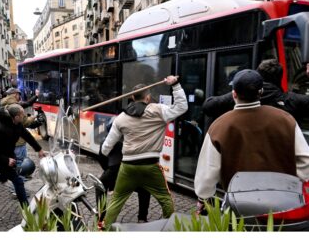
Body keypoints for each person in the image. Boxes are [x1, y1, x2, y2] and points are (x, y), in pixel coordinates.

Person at [194, 69, 309, 213]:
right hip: (282, 204)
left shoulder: (218, 127)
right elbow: (306, 162)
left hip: (239, 206)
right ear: (260, 93)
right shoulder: (286, 119)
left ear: (234, 94)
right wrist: (291, 186)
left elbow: (207, 175)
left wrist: (203, 199)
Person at [100, 75, 188, 228]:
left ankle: (105, 229)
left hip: (127, 167)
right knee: (165, 199)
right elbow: (182, 107)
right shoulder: (159, 111)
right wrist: (175, 85)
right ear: (148, 98)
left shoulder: (120, 118)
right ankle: (170, 228)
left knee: (116, 200)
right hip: (151, 166)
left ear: (132, 97)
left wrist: (108, 161)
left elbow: (106, 147)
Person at [0, 104, 45, 207]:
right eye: (22, 115)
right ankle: (27, 212)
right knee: (18, 181)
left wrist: (39, 149)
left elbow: (26, 134)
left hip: (8, 156)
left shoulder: (16, 123)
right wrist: (6, 160)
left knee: (8, 175)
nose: (24, 117)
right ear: (16, 117)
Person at [202, 59, 309, 126]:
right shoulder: (292, 101)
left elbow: (208, 106)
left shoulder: (241, 96)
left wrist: (235, 93)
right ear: (280, 78)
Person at [96, 117, 151, 224]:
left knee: (100, 186)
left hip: (114, 171)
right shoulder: (133, 140)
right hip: (131, 171)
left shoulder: (106, 141)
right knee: (144, 189)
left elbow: (102, 159)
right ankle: (142, 218)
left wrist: (108, 173)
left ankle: (101, 216)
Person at [0, 88, 40, 173]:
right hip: (18, 140)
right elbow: (24, 122)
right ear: (15, 94)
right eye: (19, 94)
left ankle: (15, 177)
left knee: (15, 161)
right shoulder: (15, 106)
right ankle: (20, 179)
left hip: (8, 140)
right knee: (20, 163)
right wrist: (34, 117)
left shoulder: (4, 104)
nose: (19, 97)